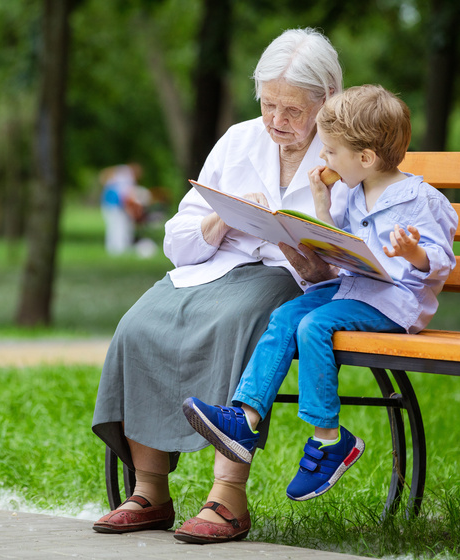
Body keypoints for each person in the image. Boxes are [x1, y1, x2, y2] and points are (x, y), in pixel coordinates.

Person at [91, 28, 348, 544]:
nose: (276, 121)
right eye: (269, 104)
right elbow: (178, 239)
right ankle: (150, 490)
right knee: (139, 324)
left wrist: (296, 244)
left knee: (238, 322)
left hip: (287, 279)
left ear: (329, 99)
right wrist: (223, 221)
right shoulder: (238, 139)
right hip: (213, 267)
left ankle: (227, 496)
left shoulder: (347, 153)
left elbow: (352, 265)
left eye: (292, 111)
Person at [183, 85, 458, 504]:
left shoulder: (420, 200)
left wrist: (414, 252)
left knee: (314, 326)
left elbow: (441, 260)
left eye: (329, 152)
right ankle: (245, 416)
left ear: (365, 158)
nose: (323, 159)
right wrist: (320, 204)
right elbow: (339, 242)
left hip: (394, 302)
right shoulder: (353, 189)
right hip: (352, 289)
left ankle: (330, 440)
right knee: (287, 316)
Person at [99, 163, 150, 255]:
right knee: (116, 227)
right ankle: (117, 249)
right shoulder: (126, 174)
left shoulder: (124, 174)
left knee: (118, 227)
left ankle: (117, 248)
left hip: (113, 204)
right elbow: (125, 194)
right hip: (113, 205)